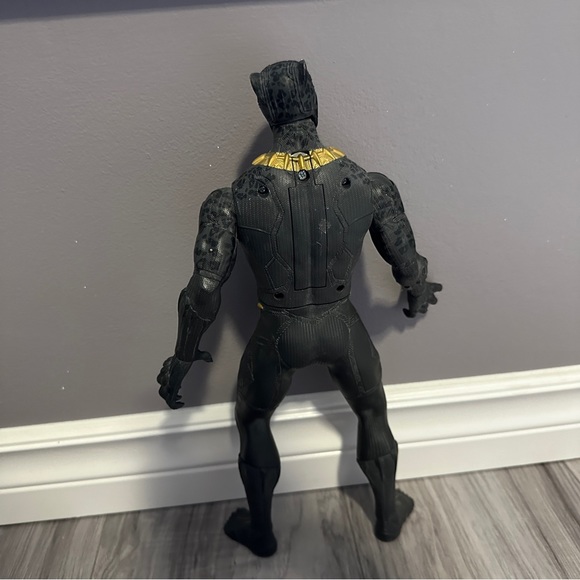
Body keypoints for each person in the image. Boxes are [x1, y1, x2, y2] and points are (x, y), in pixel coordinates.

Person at [157, 60, 442, 557]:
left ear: (267, 108)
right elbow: (406, 258)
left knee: (253, 421)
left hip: (278, 332)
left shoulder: (232, 198)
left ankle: (262, 531)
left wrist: (183, 357)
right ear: (313, 103)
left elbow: (203, 288)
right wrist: (417, 291)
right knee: (372, 411)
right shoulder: (369, 184)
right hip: (342, 326)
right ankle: (387, 516)